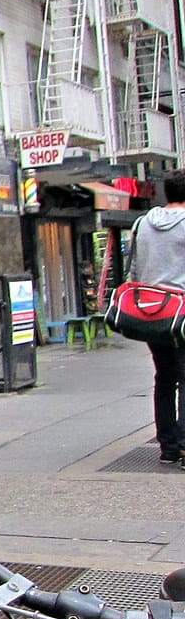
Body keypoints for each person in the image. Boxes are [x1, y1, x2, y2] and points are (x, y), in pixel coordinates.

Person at [129, 169, 185, 464]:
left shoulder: (143, 223)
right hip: (183, 311)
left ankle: (168, 447)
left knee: (165, 377)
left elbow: (134, 271)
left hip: (151, 310)